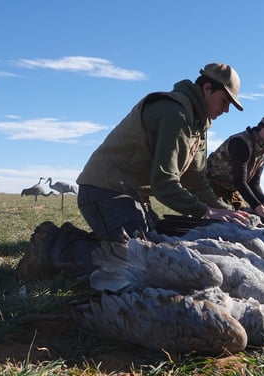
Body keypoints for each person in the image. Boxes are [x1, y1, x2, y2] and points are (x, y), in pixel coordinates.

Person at [76, 62, 251, 242]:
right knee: (138, 254)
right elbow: (163, 184)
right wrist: (206, 211)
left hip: (132, 194)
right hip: (104, 189)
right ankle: (55, 243)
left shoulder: (197, 125)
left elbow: (196, 182)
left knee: (160, 239)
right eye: (225, 101)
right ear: (207, 89)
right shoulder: (175, 114)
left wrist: (227, 212)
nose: (226, 110)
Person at [207, 114, 264, 221]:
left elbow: (254, 183)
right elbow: (240, 181)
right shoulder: (241, 143)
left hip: (231, 191)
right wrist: (258, 206)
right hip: (211, 187)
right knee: (230, 219)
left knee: (247, 216)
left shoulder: (263, 153)